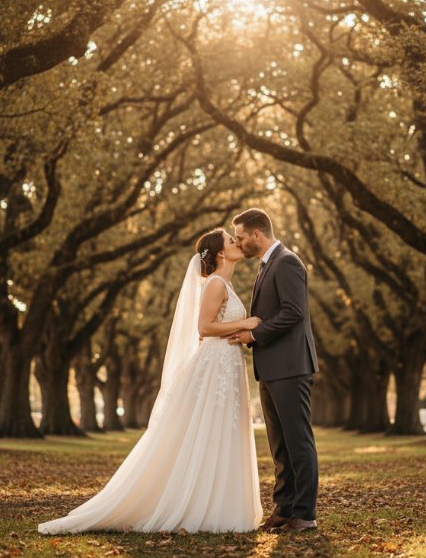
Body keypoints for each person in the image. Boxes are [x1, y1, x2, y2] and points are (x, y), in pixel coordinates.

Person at [37, 229, 263, 534]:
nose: (238, 243)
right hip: (214, 367)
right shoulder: (215, 284)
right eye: (231, 240)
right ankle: (192, 504)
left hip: (227, 365)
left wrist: (239, 333)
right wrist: (245, 323)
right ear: (221, 253)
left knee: (222, 431)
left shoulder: (227, 283)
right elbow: (205, 327)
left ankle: (219, 503)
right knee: (208, 430)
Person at [230, 208, 320, 533]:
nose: (238, 243)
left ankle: (305, 514)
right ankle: (284, 507)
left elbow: (294, 312)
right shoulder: (266, 264)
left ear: (257, 234)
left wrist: (254, 334)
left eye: (240, 237)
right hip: (270, 368)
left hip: (291, 367)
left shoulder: (287, 262)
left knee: (298, 441)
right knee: (279, 444)